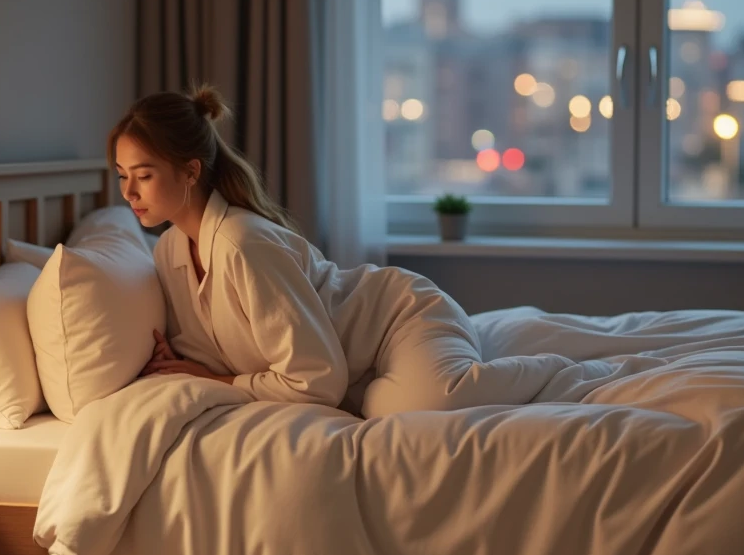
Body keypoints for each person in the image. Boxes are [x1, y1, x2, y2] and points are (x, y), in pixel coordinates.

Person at [109, 85, 572, 418]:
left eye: (143, 175)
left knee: (420, 409)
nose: (129, 192)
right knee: (378, 406)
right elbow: (213, 342)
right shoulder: (170, 250)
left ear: (190, 171)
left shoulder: (241, 245)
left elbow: (316, 380)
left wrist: (223, 383)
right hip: (361, 361)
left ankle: (560, 372)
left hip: (400, 319)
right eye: (121, 174)